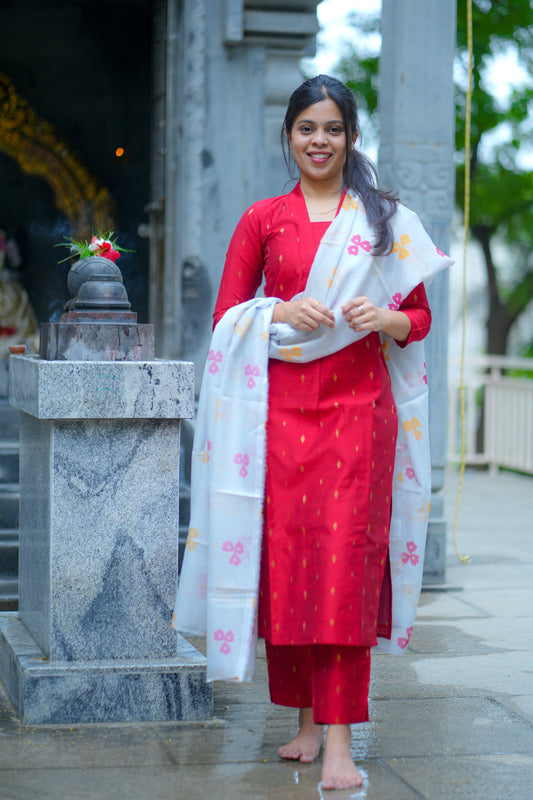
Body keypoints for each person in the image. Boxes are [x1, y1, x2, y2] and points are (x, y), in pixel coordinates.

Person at [173, 75, 452, 791]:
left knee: (342, 575)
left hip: (358, 419)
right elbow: (226, 317)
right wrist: (276, 314)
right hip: (278, 418)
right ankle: (302, 723)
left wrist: (385, 320)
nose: (319, 141)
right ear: (288, 137)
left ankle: (338, 743)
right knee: (289, 570)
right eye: (306, 128)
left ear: (350, 137)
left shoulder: (384, 219)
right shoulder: (263, 220)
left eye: (332, 128)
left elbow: (417, 317)